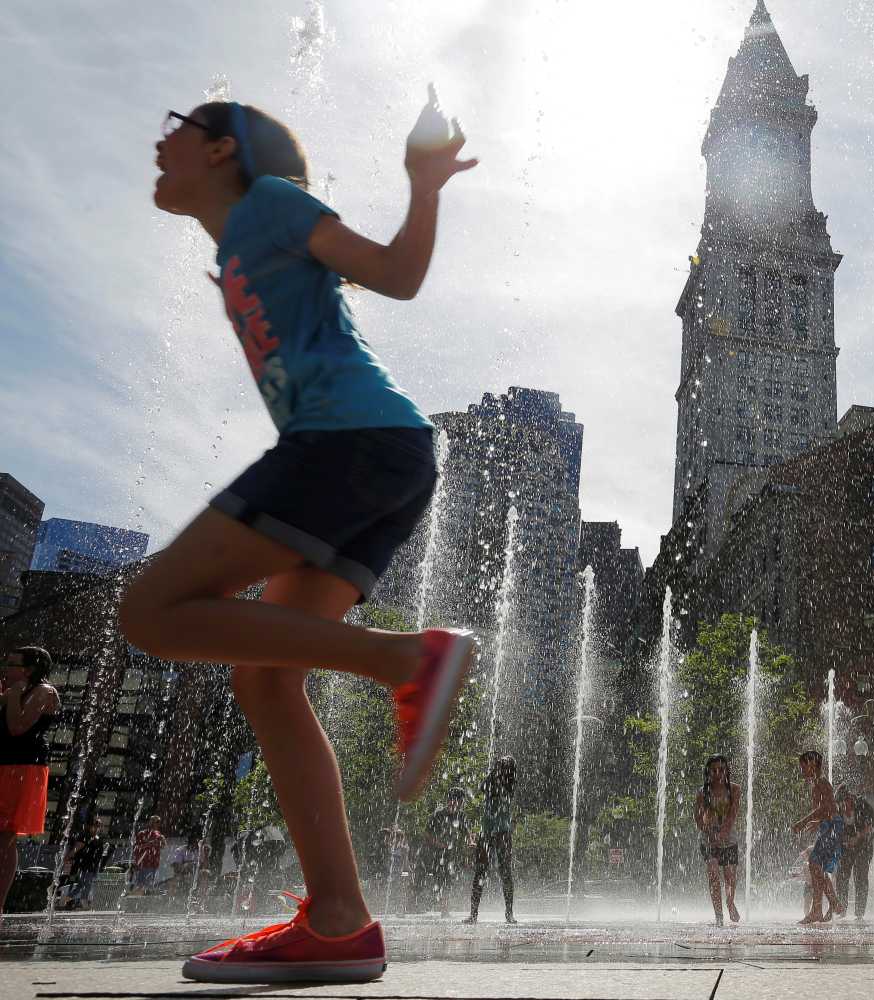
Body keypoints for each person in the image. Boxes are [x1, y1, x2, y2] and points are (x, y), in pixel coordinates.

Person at [119, 89, 480, 983]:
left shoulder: (271, 205)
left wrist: (423, 186)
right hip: (374, 455)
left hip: (348, 443)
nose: (159, 144)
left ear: (220, 150)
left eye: (178, 128)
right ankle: (339, 922)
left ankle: (410, 661)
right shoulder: (239, 241)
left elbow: (396, 274)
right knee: (267, 684)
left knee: (151, 609)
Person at [0, 646, 60, 919]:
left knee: (4, 837)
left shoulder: (44, 692)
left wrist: (12, 696)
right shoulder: (12, 689)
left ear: (29, 669)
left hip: (24, 768)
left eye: (12, 664)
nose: (6, 668)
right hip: (4, 764)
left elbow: (18, 727)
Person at [790, 749, 841, 924]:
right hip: (829, 825)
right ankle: (828, 906)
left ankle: (821, 909)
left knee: (814, 864)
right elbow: (828, 809)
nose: (801, 770)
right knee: (816, 867)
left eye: (803, 766)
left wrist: (803, 822)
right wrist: (819, 822)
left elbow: (826, 807)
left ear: (812, 764)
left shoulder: (821, 782)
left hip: (832, 827)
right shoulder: (818, 782)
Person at [465, 756, 517, 925]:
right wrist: (494, 771)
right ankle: (473, 914)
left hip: (503, 832)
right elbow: (482, 788)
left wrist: (498, 771)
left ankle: (509, 913)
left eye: (503, 765)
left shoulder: (509, 783)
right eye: (499, 764)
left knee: (505, 872)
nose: (500, 766)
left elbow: (501, 788)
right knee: (480, 871)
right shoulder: (491, 780)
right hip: (487, 831)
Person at [693, 754, 741, 927]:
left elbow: (732, 815)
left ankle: (729, 902)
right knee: (713, 873)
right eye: (714, 770)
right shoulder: (702, 792)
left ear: (727, 771)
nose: (718, 773)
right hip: (708, 839)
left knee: (729, 875)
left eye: (721, 769)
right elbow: (697, 818)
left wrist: (722, 834)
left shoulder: (734, 789)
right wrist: (709, 833)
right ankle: (719, 915)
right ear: (708, 772)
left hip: (729, 839)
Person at [420, 787, 468, 917]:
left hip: (452, 853)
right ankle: (442, 908)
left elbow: (466, 833)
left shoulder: (461, 815)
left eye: (461, 801)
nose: (459, 804)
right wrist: (439, 844)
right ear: (452, 800)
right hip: (436, 853)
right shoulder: (438, 814)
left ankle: (444, 908)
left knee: (449, 879)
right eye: (457, 801)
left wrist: (471, 842)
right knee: (440, 879)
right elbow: (426, 833)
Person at [834, 787, 874, 920]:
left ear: (850, 799)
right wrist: (844, 840)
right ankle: (842, 909)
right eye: (840, 805)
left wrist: (857, 838)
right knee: (841, 874)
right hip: (847, 845)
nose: (843, 807)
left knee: (860, 876)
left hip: (864, 845)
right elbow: (835, 827)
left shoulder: (863, 805)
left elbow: (869, 827)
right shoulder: (839, 809)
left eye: (844, 804)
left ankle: (859, 913)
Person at [63, 818, 110, 910]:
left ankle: (67, 899)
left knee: (82, 885)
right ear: (90, 827)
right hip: (85, 865)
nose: (97, 829)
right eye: (95, 826)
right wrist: (68, 857)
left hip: (93, 866)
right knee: (86, 885)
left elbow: (99, 853)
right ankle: (82, 901)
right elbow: (77, 848)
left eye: (99, 827)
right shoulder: (85, 836)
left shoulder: (97, 838)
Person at [131, 816, 168, 895]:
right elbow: (137, 847)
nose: (157, 824)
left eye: (158, 822)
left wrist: (163, 841)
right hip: (143, 864)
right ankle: (136, 902)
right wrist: (150, 843)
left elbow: (163, 846)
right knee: (140, 886)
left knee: (148, 887)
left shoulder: (158, 834)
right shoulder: (142, 833)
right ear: (150, 822)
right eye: (156, 822)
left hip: (153, 864)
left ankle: (141, 902)